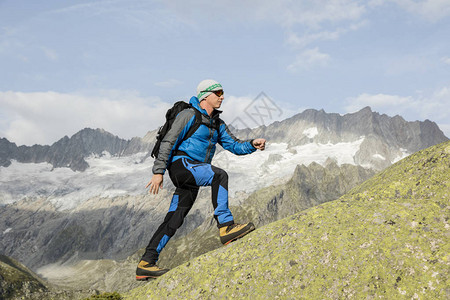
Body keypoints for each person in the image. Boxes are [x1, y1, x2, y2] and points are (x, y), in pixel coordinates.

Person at [136, 79, 266, 280]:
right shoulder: (188, 115)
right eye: (218, 93)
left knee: (174, 219)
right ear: (205, 95)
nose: (222, 97)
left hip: (194, 173)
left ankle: (146, 263)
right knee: (219, 175)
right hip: (182, 166)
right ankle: (226, 226)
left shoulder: (217, 123)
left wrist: (252, 144)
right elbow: (169, 141)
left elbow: (234, 145)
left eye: (222, 93)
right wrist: (158, 171)